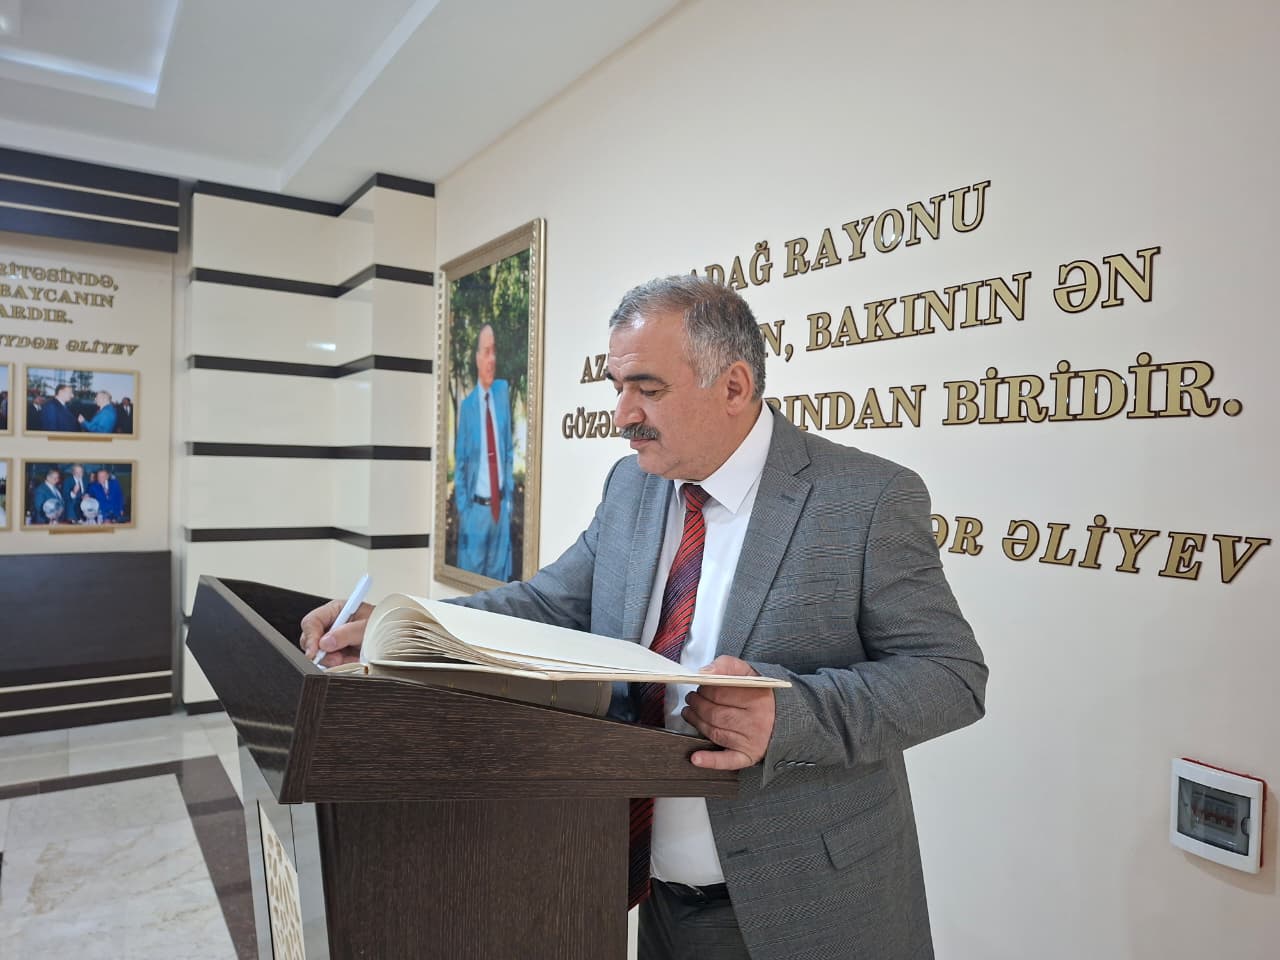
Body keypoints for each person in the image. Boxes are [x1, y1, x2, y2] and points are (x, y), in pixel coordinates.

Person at [300, 276, 987, 960]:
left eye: (647, 389)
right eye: (617, 387)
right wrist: (404, 629)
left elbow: (951, 675)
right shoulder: (632, 484)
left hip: (809, 904)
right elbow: (548, 605)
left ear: (734, 386)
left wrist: (791, 714)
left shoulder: (866, 497)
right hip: (652, 894)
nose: (621, 415)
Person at [453, 323, 515, 580]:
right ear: (477, 357)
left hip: (501, 511)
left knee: (499, 583)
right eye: (486, 352)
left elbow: (508, 451)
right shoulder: (468, 407)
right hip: (476, 512)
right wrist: (465, 511)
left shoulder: (501, 394)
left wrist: (509, 499)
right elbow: (460, 465)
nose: (492, 359)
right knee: (472, 581)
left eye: (494, 351)